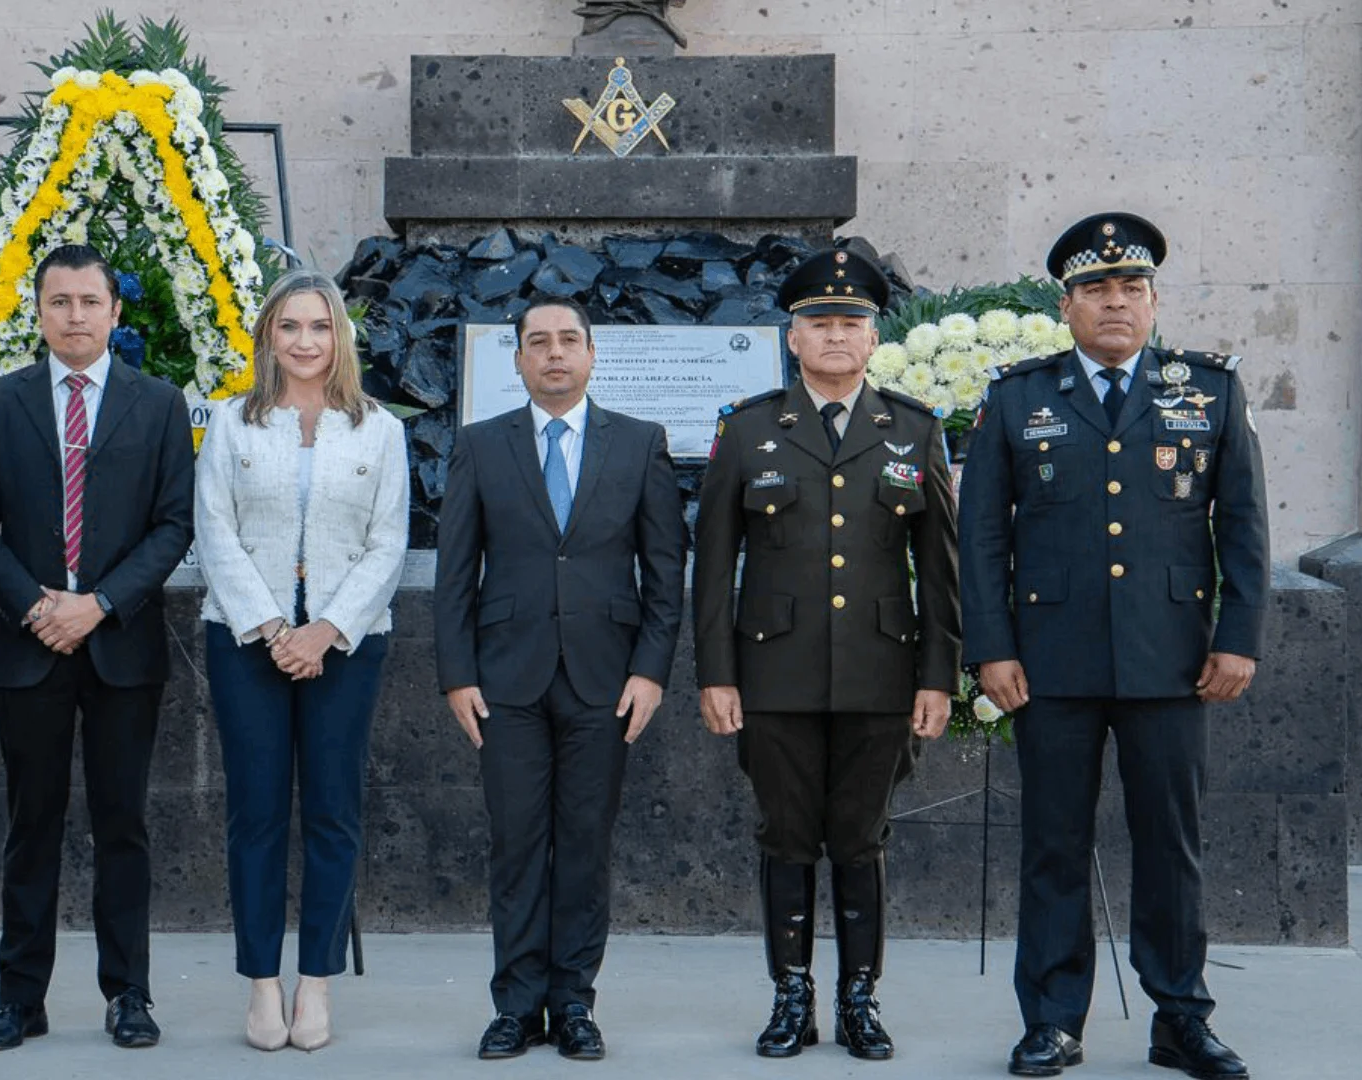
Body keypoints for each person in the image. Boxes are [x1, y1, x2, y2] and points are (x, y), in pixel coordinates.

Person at [958, 212, 1268, 1080]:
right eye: (1096, 288)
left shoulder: (1206, 390)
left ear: (1154, 300)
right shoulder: (1019, 396)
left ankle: (1180, 1017)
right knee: (1053, 843)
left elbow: (1243, 526)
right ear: (1068, 306)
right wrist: (990, 648)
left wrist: (1238, 638)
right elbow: (981, 537)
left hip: (1173, 660)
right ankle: (1053, 1021)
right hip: (1048, 663)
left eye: (1132, 287)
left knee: (1172, 844)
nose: (1116, 302)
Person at [693, 246, 960, 1062]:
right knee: (784, 836)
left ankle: (859, 998)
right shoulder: (747, 430)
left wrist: (940, 677)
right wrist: (716, 674)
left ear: (874, 337)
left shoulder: (913, 430)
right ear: (793, 338)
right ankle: (791, 995)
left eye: (851, 322)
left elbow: (941, 570)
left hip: (882, 674)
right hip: (773, 675)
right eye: (820, 323)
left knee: (860, 837)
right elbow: (712, 568)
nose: (836, 335)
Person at [434, 297, 685, 1062]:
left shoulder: (640, 444)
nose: (553, 354)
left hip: (605, 682)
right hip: (505, 681)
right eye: (537, 343)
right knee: (515, 844)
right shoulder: (481, 446)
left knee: (584, 844)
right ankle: (515, 1005)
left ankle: (573, 1002)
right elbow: (453, 575)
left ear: (591, 354)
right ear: (516, 359)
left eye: (567, 341)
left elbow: (666, 572)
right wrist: (456, 675)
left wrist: (651, 671)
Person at [0, 243, 195, 1052]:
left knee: (122, 822)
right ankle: (19, 997)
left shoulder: (158, 403)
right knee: (33, 822)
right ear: (38, 311)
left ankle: (128, 992)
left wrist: (97, 604)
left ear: (115, 310)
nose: (75, 317)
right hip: (28, 647)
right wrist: (35, 606)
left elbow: (173, 524)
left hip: (120, 647)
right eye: (59, 302)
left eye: (90, 302)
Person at [193, 270, 409, 1052]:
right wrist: (273, 625)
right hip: (246, 640)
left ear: (339, 337)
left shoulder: (380, 428)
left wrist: (325, 631)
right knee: (255, 812)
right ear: (267, 339)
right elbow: (214, 530)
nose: (306, 341)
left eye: (320, 326)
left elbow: (389, 542)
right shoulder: (232, 423)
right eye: (290, 327)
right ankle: (261, 983)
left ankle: (315, 982)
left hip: (346, 646)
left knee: (331, 812)